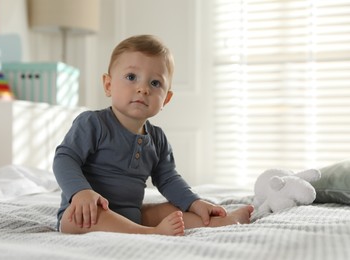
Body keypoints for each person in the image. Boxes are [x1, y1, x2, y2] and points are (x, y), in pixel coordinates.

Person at [53, 34, 254, 236]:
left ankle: (224, 222)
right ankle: (148, 233)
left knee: (171, 210)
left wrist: (194, 202)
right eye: (131, 77)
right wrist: (80, 192)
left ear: (166, 99)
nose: (143, 89)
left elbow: (168, 179)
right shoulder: (93, 123)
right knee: (83, 217)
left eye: (155, 83)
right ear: (108, 85)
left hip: (131, 214)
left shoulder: (157, 139)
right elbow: (65, 158)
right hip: (86, 214)